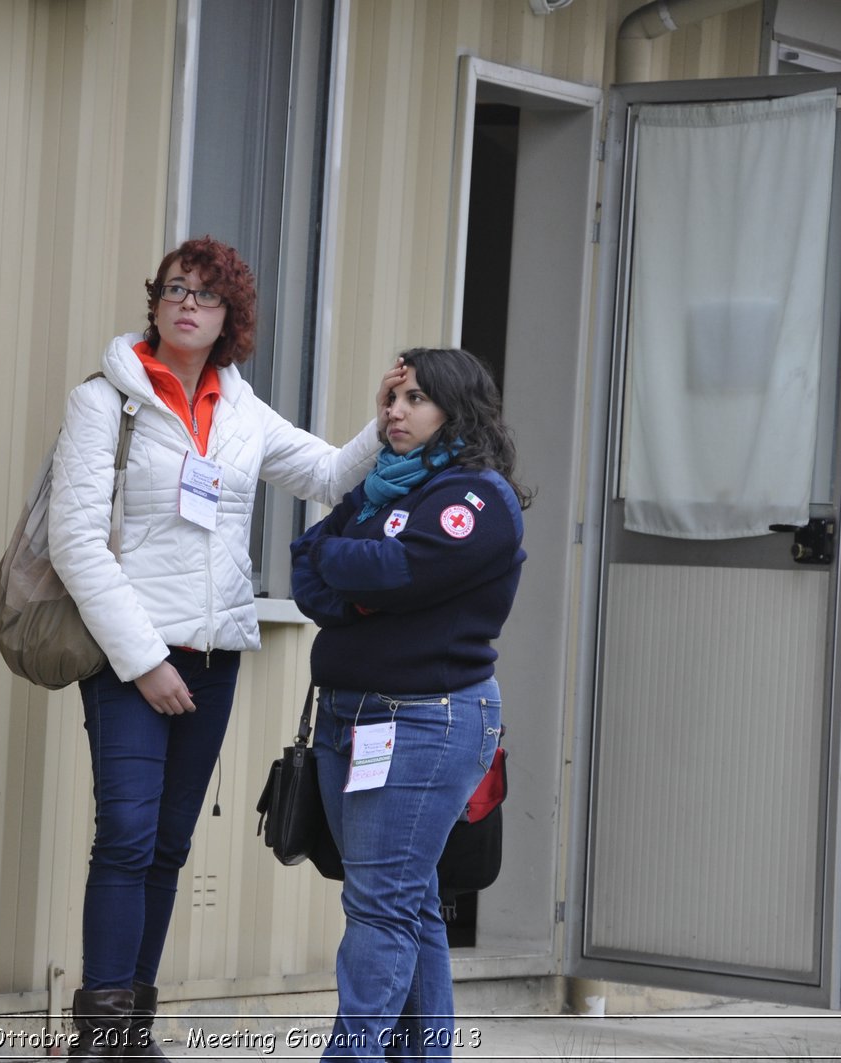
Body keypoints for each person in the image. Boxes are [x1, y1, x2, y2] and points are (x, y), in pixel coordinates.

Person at [47, 236, 402, 1059]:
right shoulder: (107, 400)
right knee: (126, 837)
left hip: (216, 655)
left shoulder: (241, 409)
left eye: (204, 295)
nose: (185, 303)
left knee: (170, 844)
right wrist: (144, 661)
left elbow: (323, 474)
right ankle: (97, 1037)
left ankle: (134, 1029)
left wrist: (383, 417)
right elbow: (75, 543)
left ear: (229, 319)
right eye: (174, 288)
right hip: (129, 657)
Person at [290, 347, 529, 1061]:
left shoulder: (476, 497)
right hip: (349, 714)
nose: (394, 411)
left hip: (424, 719)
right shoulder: (384, 489)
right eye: (391, 398)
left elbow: (391, 568)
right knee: (405, 901)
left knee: (381, 906)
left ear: (455, 410)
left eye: (415, 398)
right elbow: (307, 565)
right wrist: (354, 575)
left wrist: (352, 572)